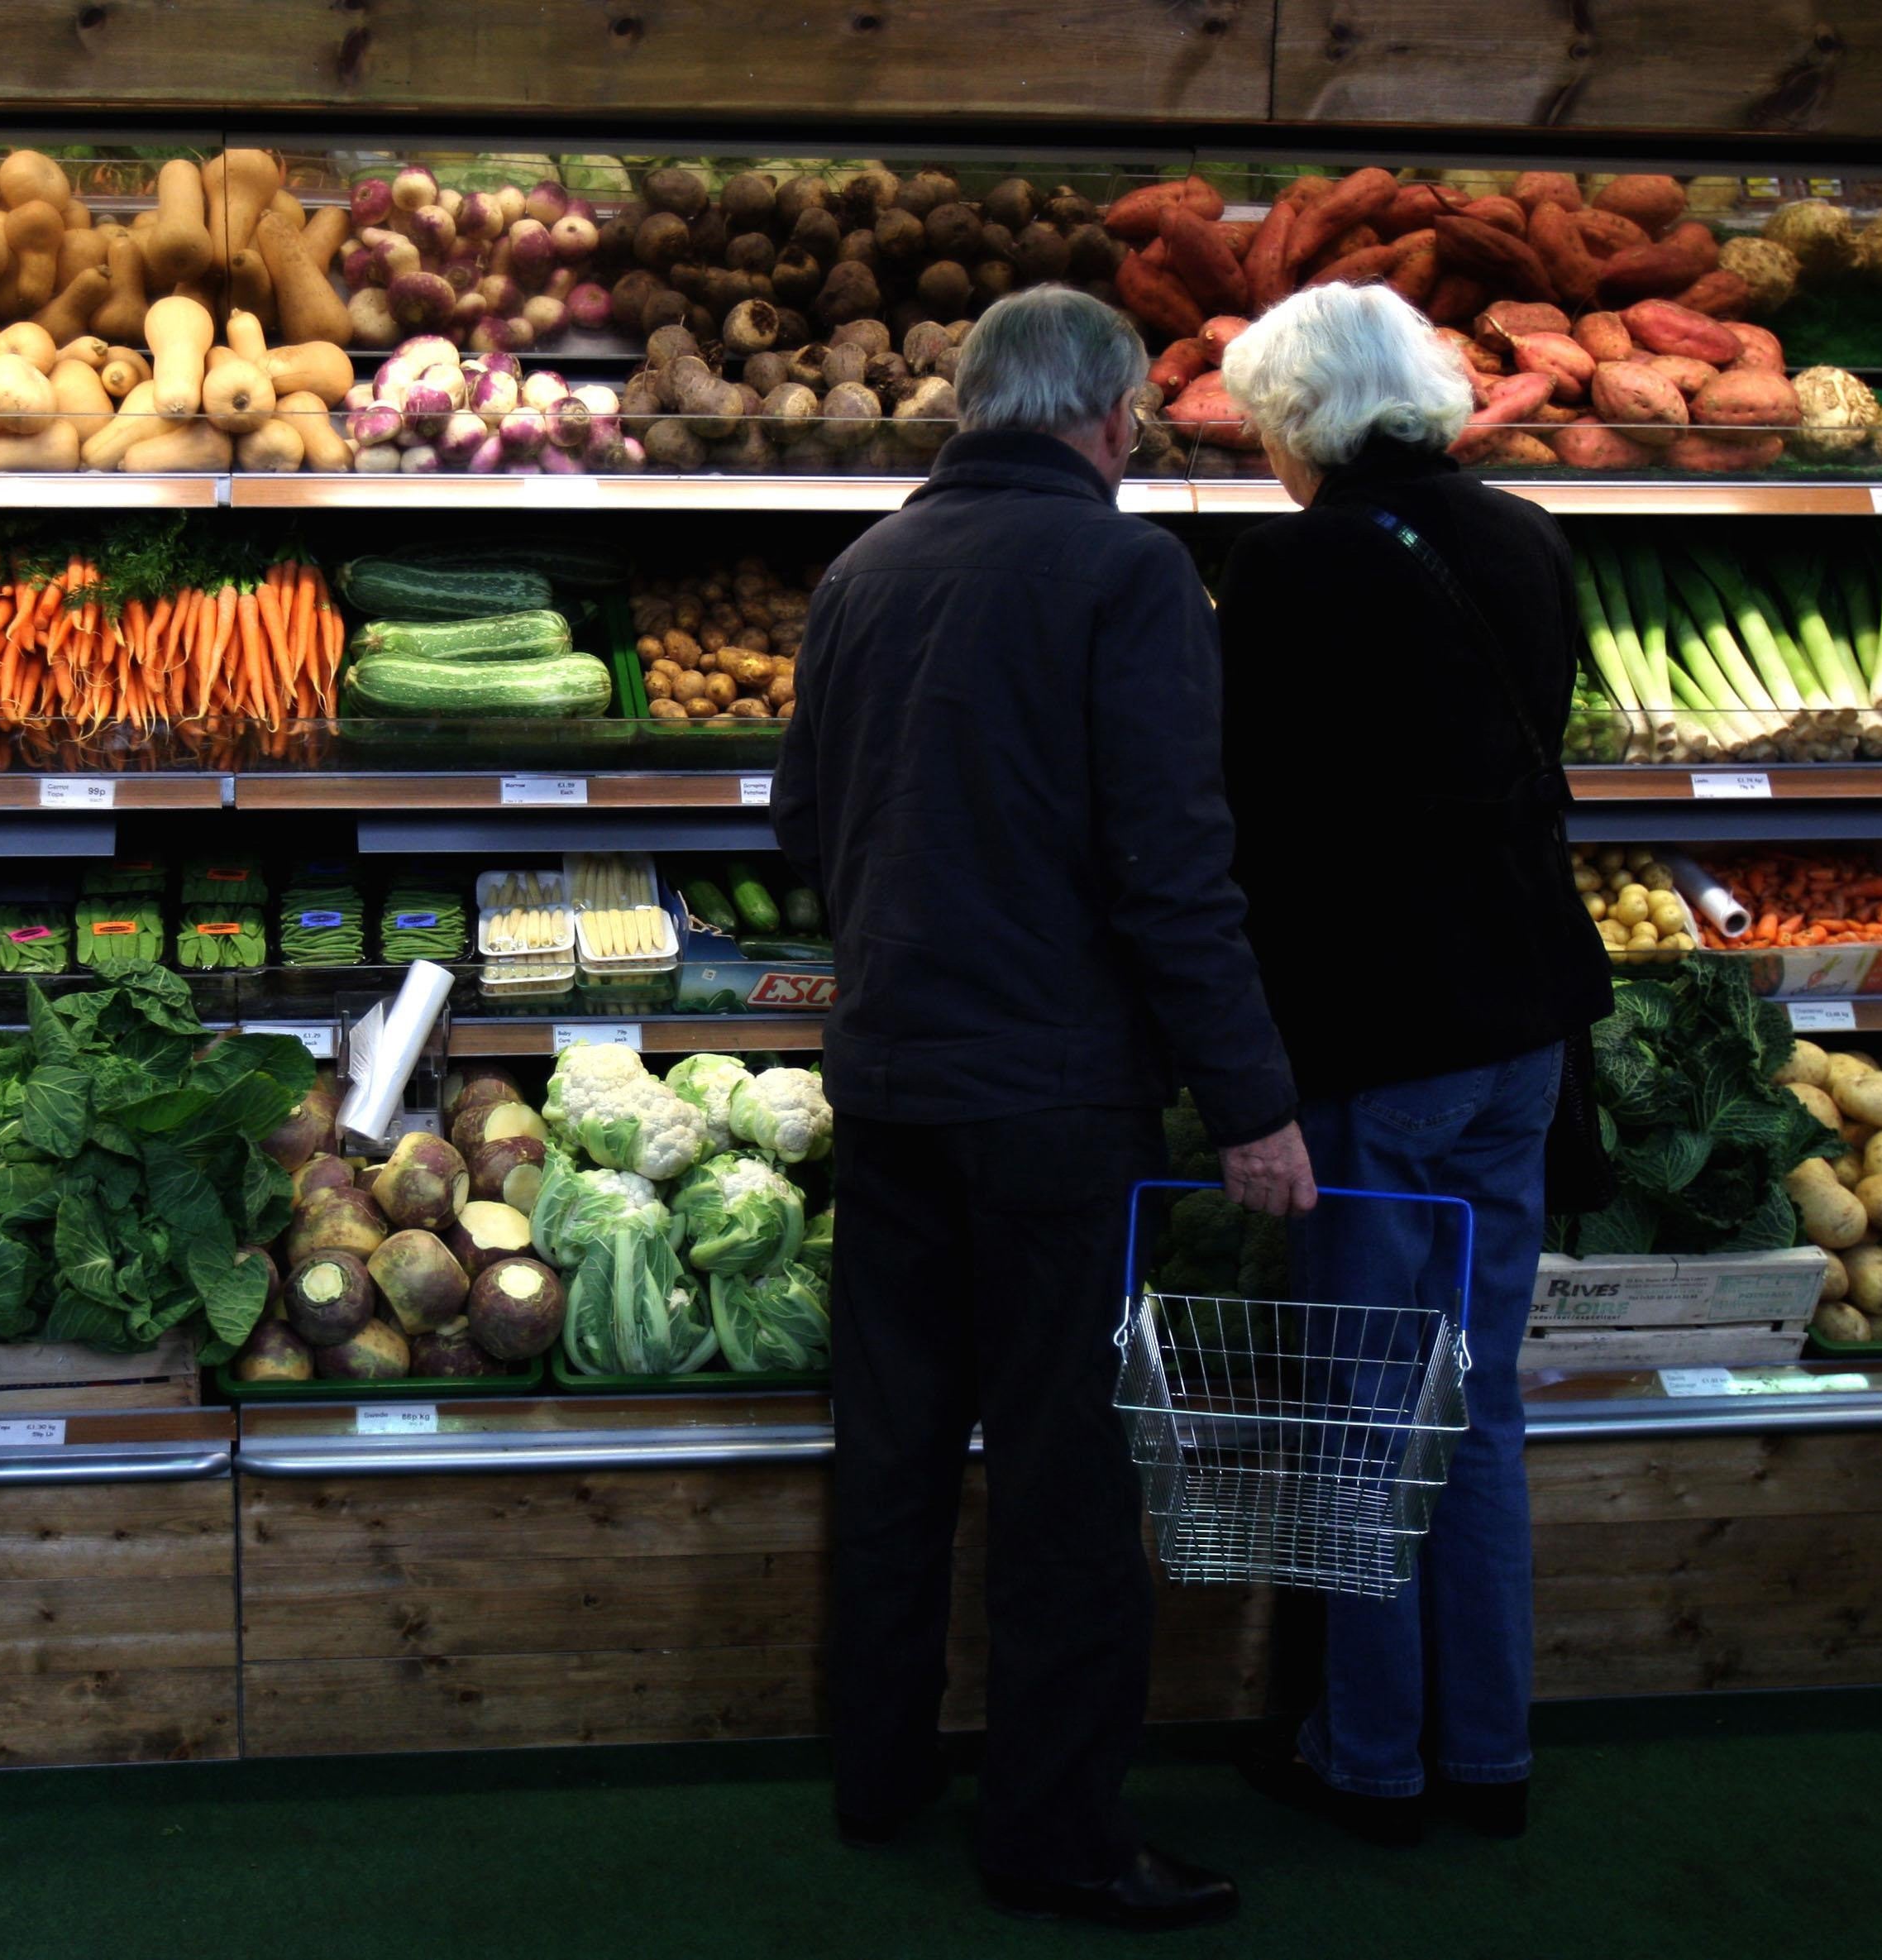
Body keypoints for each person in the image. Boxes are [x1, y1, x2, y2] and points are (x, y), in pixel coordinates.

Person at [772, 284, 1312, 1934]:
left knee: (896, 1445)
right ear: (1111, 420)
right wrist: (1255, 1104)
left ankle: (878, 1773)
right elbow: (1175, 869)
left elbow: (801, 826)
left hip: (889, 1081)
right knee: (1068, 1480)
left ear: (966, 409)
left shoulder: (863, 571)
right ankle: (1058, 1833)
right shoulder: (1123, 571)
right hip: (1053, 1098)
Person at [1211, 283, 1613, 1846]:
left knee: (1368, 1404)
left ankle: (1369, 1754)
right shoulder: (1524, 533)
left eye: (1262, 430)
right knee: (1481, 1401)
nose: (1261, 459)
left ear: (1303, 420)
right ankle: (1487, 1752)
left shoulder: (1292, 565)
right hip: (1520, 1020)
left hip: (1385, 1032)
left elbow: (1257, 814)